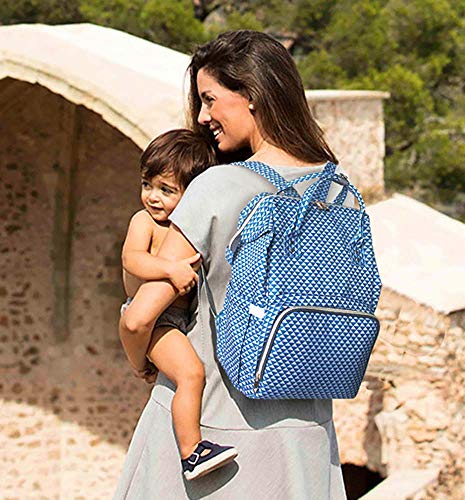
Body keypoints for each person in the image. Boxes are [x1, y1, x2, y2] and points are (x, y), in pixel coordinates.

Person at [115, 30, 353, 499]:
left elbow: (140, 317)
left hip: (213, 436)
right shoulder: (338, 189)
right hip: (304, 440)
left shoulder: (217, 187)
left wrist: (139, 359)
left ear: (253, 94)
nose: (203, 117)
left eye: (209, 99)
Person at [120, 128, 238, 480]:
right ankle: (192, 452)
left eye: (166, 190)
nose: (152, 197)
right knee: (191, 374)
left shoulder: (185, 226)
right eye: (147, 185)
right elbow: (132, 259)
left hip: (177, 319)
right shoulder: (144, 222)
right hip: (159, 320)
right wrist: (169, 268)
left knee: (193, 374)